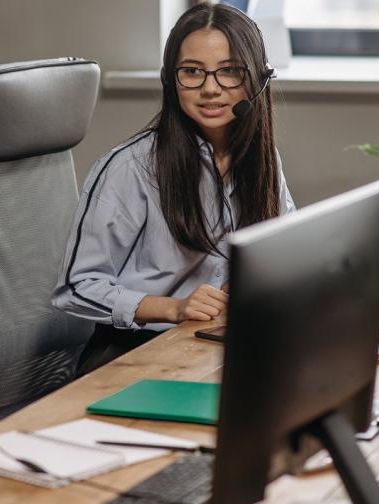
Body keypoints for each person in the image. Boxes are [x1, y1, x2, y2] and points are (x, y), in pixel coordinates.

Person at [53, 2, 295, 375]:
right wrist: (174, 307)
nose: (210, 89)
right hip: (134, 355)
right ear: (171, 79)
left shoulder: (262, 161)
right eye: (192, 72)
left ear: (257, 79)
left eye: (229, 72)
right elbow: (76, 288)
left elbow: (284, 250)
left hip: (212, 347)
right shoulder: (131, 168)